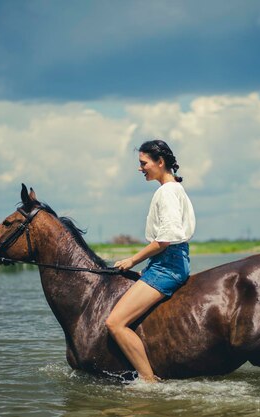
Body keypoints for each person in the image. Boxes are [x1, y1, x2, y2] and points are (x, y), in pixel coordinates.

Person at [105, 139, 195, 382]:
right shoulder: (175, 188)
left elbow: (163, 241)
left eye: (143, 163)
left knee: (115, 323)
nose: (140, 168)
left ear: (160, 162)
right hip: (168, 262)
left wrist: (132, 261)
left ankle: (148, 380)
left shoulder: (166, 191)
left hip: (167, 265)